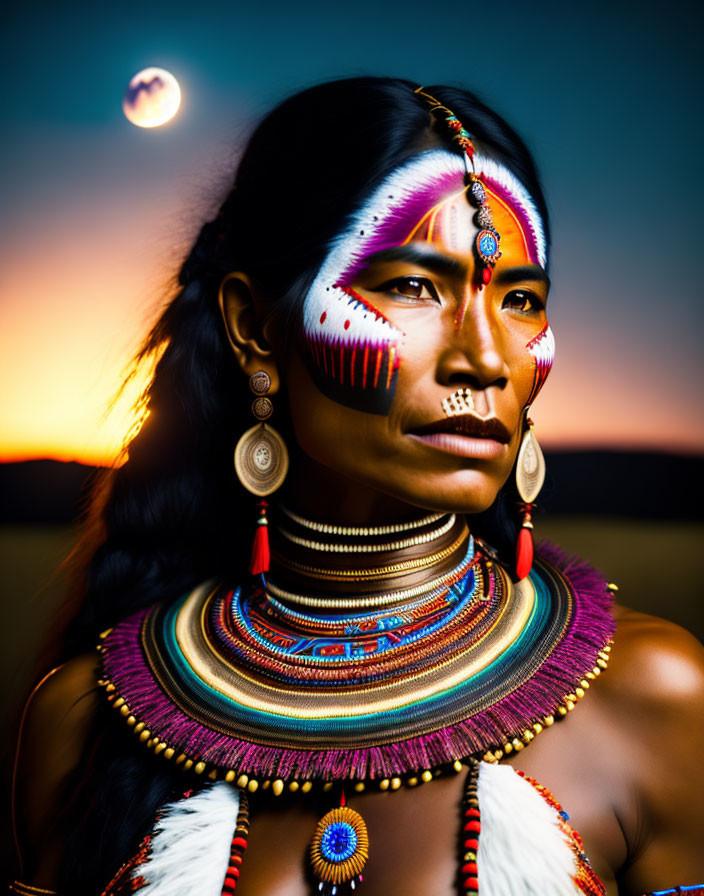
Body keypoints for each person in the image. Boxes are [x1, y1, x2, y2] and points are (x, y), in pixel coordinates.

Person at [9, 76, 704, 896]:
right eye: (412, 285)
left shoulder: (655, 700)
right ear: (254, 328)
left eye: (520, 299)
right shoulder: (83, 725)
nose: (484, 358)